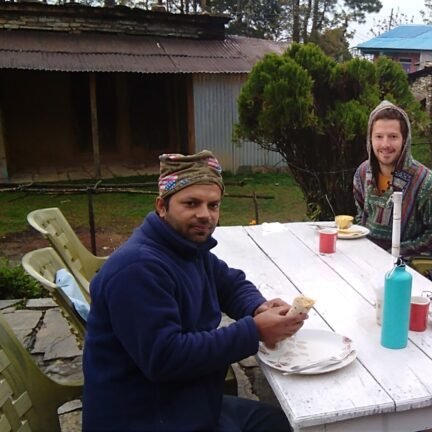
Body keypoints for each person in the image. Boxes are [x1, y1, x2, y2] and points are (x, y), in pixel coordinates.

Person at [83, 150, 306, 431]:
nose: (205, 215)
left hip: (187, 402)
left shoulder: (186, 247)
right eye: (191, 203)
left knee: (280, 423)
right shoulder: (137, 269)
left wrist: (257, 307)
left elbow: (228, 282)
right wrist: (255, 331)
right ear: (161, 207)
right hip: (146, 416)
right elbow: (165, 358)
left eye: (213, 205)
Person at [353, 100, 432, 258]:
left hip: (407, 271)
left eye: (393, 136)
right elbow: (361, 216)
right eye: (379, 136)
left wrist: (393, 253)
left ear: (405, 140)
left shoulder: (428, 184)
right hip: (365, 260)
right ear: (370, 140)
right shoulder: (363, 173)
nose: (385, 144)